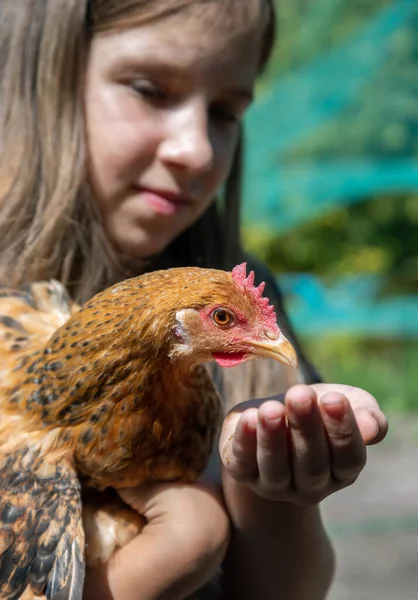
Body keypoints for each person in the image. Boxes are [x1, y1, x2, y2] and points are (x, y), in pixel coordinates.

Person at [0, 1, 388, 599]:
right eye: (152, 89)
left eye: (225, 112)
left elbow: (293, 591)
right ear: (44, 75)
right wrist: (179, 548)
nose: (197, 150)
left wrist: (274, 489)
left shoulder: (241, 284)